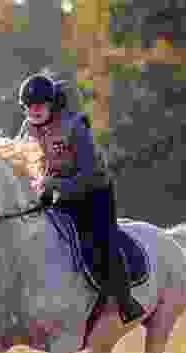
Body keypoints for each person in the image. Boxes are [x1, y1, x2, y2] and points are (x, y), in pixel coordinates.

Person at [16, 73, 145, 324]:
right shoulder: (26, 129)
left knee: (100, 238)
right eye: (29, 107)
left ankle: (125, 299)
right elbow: (22, 163)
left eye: (40, 105)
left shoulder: (74, 125)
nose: (34, 111)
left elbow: (87, 174)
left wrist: (52, 184)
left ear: (52, 103)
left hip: (94, 191)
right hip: (55, 192)